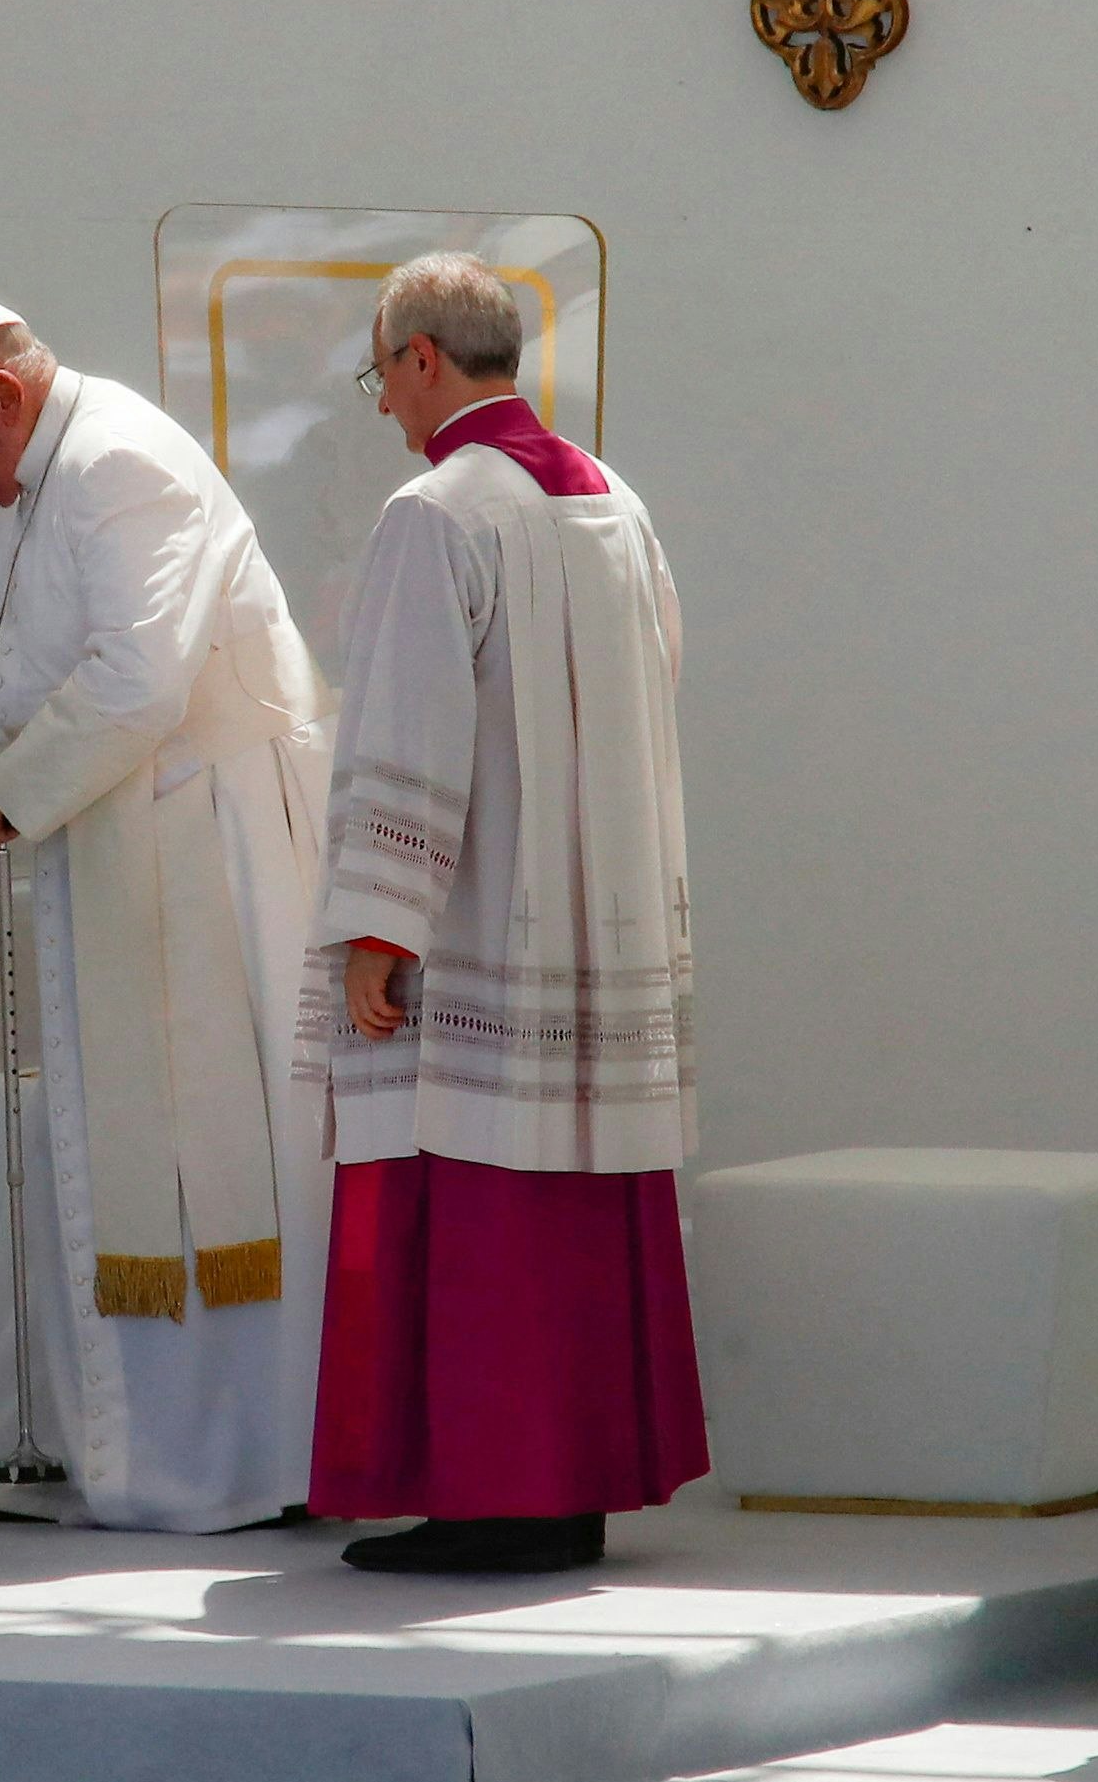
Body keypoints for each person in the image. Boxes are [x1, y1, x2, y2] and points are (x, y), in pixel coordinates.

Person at [0, 298, 331, 1531]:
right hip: (109, 842)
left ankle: (228, 1460)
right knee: (93, 1143)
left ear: (6, 393)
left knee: (202, 1152)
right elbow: (0, 698)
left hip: (197, 848)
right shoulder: (32, 487)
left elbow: (139, 678)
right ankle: (87, 1440)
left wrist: (4, 803)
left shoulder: (116, 461)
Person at [300, 253, 708, 1574]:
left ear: (424, 357)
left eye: (381, 375)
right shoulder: (617, 503)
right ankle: (572, 1490)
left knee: (477, 1216)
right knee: (577, 1223)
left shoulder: (438, 511)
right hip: (601, 921)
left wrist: (380, 920)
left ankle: (488, 1500)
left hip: (484, 923)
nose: (382, 407)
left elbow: (408, 728)